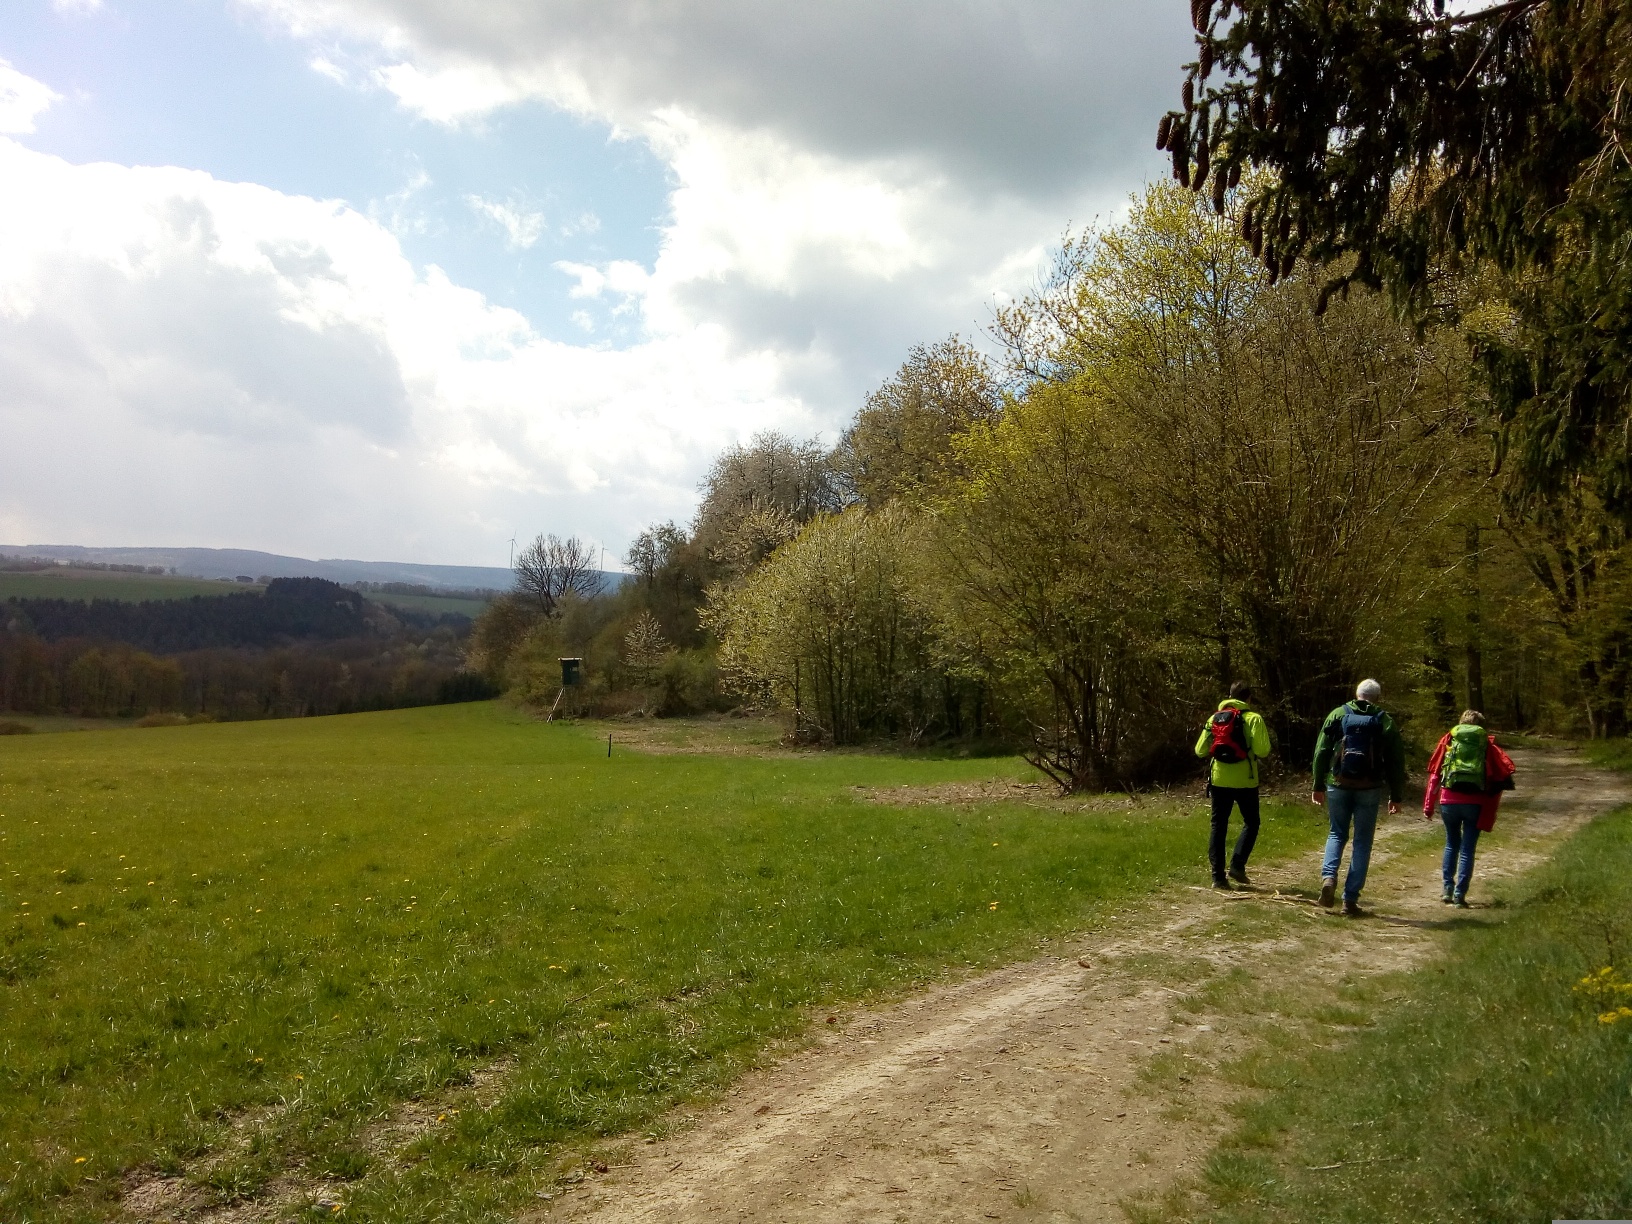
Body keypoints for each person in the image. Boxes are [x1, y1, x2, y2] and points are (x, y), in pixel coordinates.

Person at [1310, 678, 1406, 916]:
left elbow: (1321, 751)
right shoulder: (1384, 720)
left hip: (1338, 784)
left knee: (1336, 833)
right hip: (1369, 787)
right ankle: (1350, 899)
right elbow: (1395, 761)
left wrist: (1318, 784)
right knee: (1362, 841)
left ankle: (1329, 878)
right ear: (1377, 698)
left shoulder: (1338, 714)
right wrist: (1396, 795)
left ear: (1357, 694)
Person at [1421, 710, 1516, 906]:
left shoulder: (1449, 739)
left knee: (1451, 843)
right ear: (1481, 726)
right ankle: (1459, 895)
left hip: (1448, 801)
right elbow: (1498, 772)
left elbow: (1435, 773)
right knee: (1467, 849)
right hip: (1475, 803)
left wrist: (1428, 805)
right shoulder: (1486, 744)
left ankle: (1447, 889)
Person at [1194, 681, 1273, 888]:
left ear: (1229, 696)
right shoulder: (1253, 718)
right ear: (1249, 698)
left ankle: (1218, 878)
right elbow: (1263, 750)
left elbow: (1200, 750)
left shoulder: (1214, 718)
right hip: (1246, 780)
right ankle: (1237, 865)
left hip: (1219, 780)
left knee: (1218, 825)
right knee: (1252, 823)